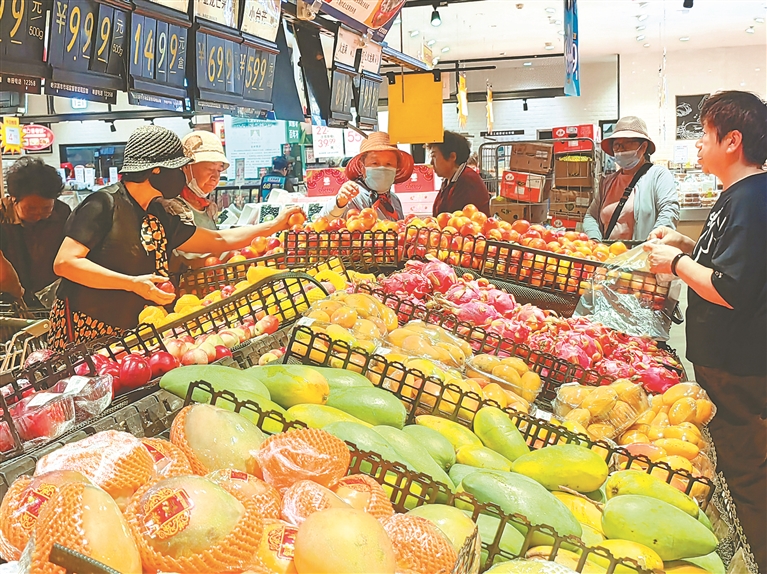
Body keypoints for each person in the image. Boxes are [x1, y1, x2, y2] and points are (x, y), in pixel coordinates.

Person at [644, 91, 766, 570]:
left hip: (740, 365)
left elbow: (732, 288)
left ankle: (756, 556)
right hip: (726, 361)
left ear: (732, 141)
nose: (697, 143)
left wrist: (676, 263)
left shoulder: (753, 199)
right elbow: (728, 261)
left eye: (704, 134)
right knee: (739, 463)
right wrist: (686, 245)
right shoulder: (738, 195)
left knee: (746, 470)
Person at [50, 125, 303, 351]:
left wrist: (273, 226)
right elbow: (65, 263)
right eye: (177, 168)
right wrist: (132, 283)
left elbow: (217, 241)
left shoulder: (158, 210)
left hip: (135, 330)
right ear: (155, 171)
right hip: (87, 328)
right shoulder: (103, 204)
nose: (181, 175)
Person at [582, 116, 679, 241]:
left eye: (626, 144)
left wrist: (654, 240)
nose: (620, 149)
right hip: (608, 252)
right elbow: (591, 216)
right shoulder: (607, 182)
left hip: (644, 251)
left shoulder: (658, 175)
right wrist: (595, 239)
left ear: (643, 147)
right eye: (616, 145)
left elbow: (669, 210)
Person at [0, 157, 71, 306]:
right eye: (31, 208)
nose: (38, 215)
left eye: (46, 208)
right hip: (10, 299)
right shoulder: (2, 216)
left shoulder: (62, 213)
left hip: (52, 297)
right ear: (14, 199)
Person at [320, 131, 413, 221]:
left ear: (396, 168)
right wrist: (339, 202)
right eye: (375, 163)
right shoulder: (353, 196)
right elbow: (324, 220)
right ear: (362, 167)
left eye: (389, 164)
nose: (382, 168)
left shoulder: (394, 200)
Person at [429, 131, 490, 217]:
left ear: (452, 156)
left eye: (434, 156)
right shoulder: (449, 180)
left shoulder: (467, 181)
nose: (431, 162)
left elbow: (457, 219)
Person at [177, 130, 229, 230]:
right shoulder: (173, 208)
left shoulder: (209, 208)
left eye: (219, 170)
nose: (215, 177)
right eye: (210, 168)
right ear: (186, 167)